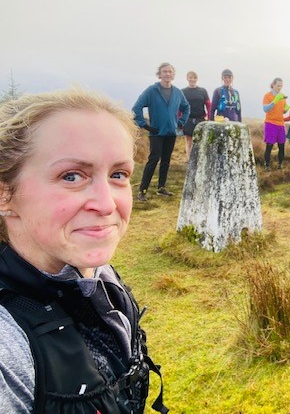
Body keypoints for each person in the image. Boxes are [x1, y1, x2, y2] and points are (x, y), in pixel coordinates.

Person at [0, 88, 167, 414]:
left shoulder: (99, 278)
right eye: (72, 176)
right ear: (5, 195)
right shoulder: (7, 352)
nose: (106, 204)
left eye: (119, 175)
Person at [132, 62, 190, 201]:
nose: (167, 74)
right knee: (153, 160)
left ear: (173, 75)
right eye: (164, 71)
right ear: (160, 74)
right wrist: (144, 125)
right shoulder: (152, 90)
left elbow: (186, 107)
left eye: (170, 71)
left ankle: (161, 188)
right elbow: (137, 107)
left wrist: (181, 123)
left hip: (171, 132)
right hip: (156, 132)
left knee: (166, 161)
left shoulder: (177, 92)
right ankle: (142, 191)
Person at [182, 71, 211, 157]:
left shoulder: (202, 91)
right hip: (188, 119)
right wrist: (180, 119)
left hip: (200, 119)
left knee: (200, 140)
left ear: (197, 79)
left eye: (194, 78)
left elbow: (208, 104)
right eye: (190, 77)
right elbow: (179, 106)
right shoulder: (183, 91)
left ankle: (199, 160)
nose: (192, 79)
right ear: (187, 78)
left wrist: (209, 117)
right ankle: (189, 161)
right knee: (188, 141)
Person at [262, 77, 289, 170]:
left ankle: (280, 165)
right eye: (278, 85)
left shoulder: (283, 96)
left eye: (281, 86)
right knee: (269, 145)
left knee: (281, 145)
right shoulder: (267, 96)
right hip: (270, 123)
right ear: (273, 85)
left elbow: (283, 111)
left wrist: (287, 109)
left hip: (281, 124)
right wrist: (275, 100)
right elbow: (265, 109)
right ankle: (267, 165)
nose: (279, 88)